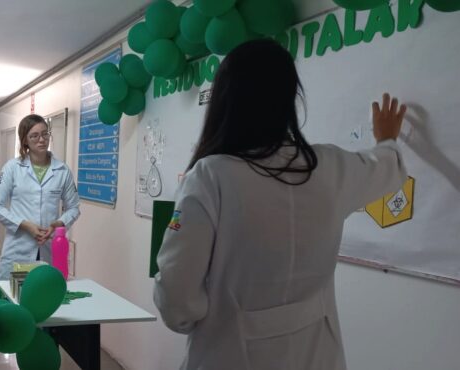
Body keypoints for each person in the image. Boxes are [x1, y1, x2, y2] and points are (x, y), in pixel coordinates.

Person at [153, 39, 408, 370]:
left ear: (224, 102)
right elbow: (386, 168)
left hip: (228, 356)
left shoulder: (209, 177)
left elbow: (176, 298)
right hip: (318, 357)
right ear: (290, 100)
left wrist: (198, 316)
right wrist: (387, 140)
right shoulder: (329, 168)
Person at [0, 114, 81, 369]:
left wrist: (58, 224)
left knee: (43, 316)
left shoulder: (62, 170)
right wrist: (25, 225)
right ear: (24, 141)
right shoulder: (13, 168)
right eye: (34, 135)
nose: (41, 139)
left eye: (45, 133)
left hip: (45, 254)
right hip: (19, 253)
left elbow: (74, 208)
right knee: (1, 313)